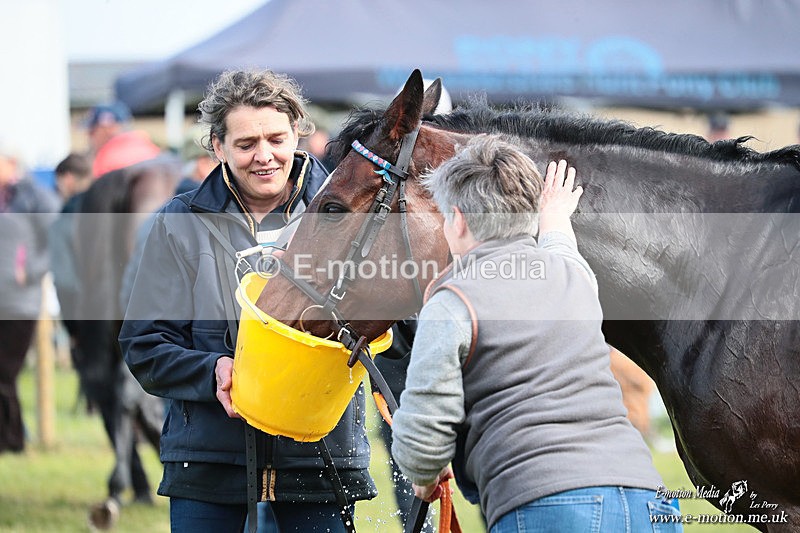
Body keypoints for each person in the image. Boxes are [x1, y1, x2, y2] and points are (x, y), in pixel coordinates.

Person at [119, 69, 376, 533]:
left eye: (277, 138)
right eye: (245, 144)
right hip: (208, 459)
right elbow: (144, 344)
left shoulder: (355, 213)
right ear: (217, 146)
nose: (265, 156)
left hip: (321, 456)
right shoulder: (176, 223)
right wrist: (210, 370)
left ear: (299, 130)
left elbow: (391, 325)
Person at [390, 136, 682, 532]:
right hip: (649, 500)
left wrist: (423, 479)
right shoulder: (575, 276)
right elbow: (560, 243)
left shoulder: (451, 302)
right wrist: (553, 212)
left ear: (458, 219)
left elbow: (425, 432)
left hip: (548, 504)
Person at [0, 141, 60, 453]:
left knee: (5, 372)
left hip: (19, 301)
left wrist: (30, 271)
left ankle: (13, 443)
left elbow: (57, 240)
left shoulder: (35, 197)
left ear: (11, 162)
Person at [84, 102, 161, 177]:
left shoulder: (106, 160)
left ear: (107, 129)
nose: (89, 135)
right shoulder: (150, 148)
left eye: (92, 130)